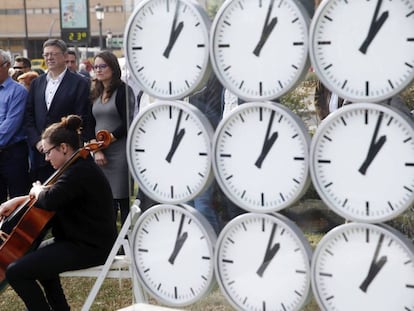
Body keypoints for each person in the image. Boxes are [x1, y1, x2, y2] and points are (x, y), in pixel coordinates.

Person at [0, 114, 117, 311]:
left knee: (15, 272)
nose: (46, 159)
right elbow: (54, 194)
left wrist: (37, 190)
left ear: (63, 147)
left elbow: (50, 198)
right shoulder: (75, 168)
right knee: (35, 258)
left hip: (90, 246)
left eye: (48, 152)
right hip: (76, 240)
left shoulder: (79, 171)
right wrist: (18, 200)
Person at [25, 38, 94, 183]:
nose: (49, 58)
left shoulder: (80, 83)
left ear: (64, 56)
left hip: (66, 154)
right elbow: (29, 115)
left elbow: (81, 116)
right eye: (46, 55)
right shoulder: (37, 83)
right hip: (41, 155)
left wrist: (60, 145)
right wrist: (38, 142)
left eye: (53, 54)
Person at [90, 50, 135, 226]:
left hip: (120, 153)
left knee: (122, 202)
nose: (99, 70)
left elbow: (128, 122)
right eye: (96, 67)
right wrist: (97, 149)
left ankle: (125, 246)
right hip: (99, 153)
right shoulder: (95, 91)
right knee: (105, 202)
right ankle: (109, 244)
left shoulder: (124, 90)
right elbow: (89, 123)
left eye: (103, 66)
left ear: (113, 67)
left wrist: (107, 140)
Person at [0, 49, 30, 202]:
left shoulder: (18, 91)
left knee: (17, 202)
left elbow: (10, 125)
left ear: (7, 65)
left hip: (13, 155)